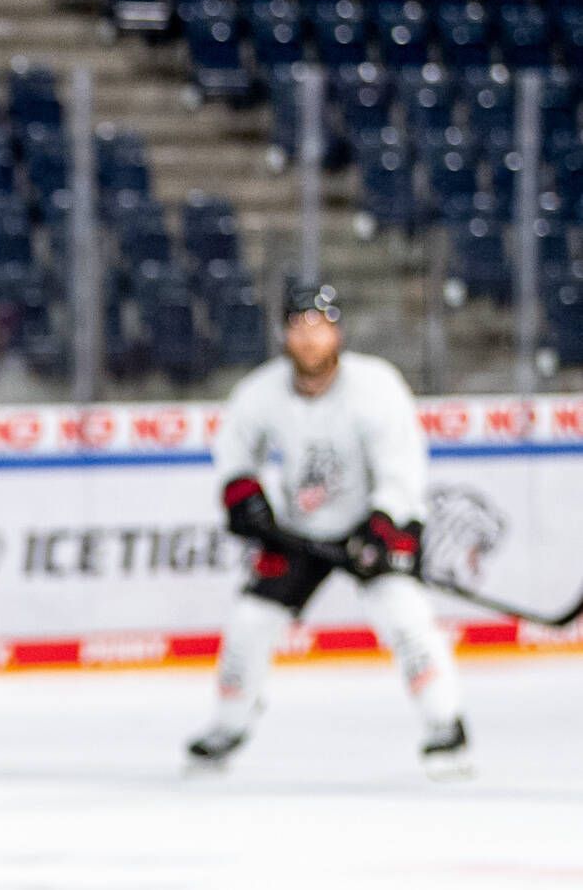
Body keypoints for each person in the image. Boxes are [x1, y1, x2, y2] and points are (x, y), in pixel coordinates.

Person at [190, 281, 471, 775]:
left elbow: (402, 465)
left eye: (319, 327)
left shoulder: (375, 385)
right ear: (284, 335)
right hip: (301, 532)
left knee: (405, 617)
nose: (310, 339)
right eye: (299, 327)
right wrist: (241, 493)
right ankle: (228, 724)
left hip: (373, 529)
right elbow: (233, 451)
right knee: (250, 624)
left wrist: (383, 522)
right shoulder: (262, 391)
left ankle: (445, 725)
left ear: (337, 333)